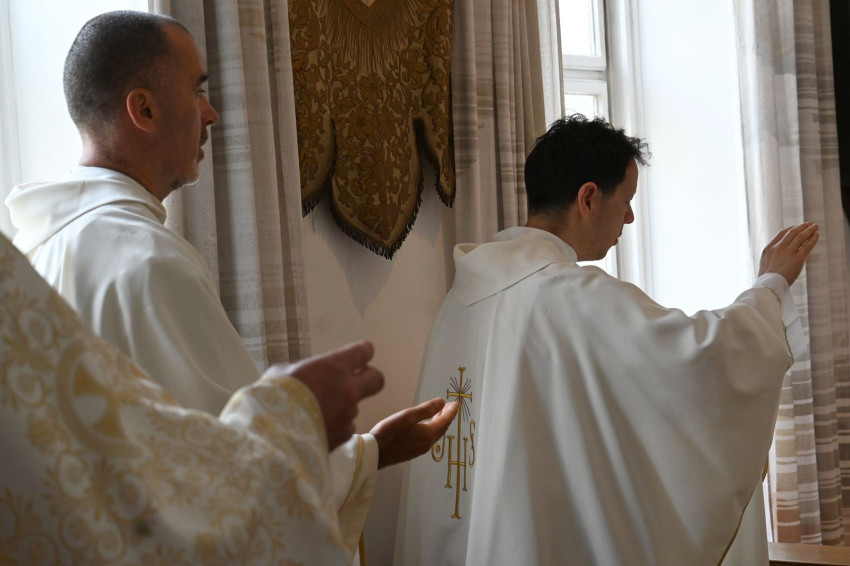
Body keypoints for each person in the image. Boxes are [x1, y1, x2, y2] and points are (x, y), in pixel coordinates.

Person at [5, 10, 457, 561]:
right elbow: (228, 479)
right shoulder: (148, 263)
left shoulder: (39, 248)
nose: (211, 113)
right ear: (143, 109)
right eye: (197, 91)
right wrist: (374, 451)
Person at [394, 115, 819, 565]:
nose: (630, 217)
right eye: (627, 200)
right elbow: (701, 358)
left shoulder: (462, 296)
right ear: (589, 198)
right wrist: (770, 286)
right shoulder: (571, 297)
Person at [0, 229, 384, 564]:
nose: (204, 145)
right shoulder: (151, 260)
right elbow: (188, 511)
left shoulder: (48, 238)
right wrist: (305, 417)